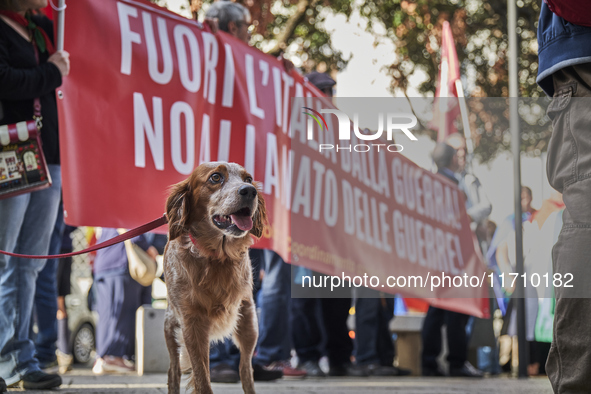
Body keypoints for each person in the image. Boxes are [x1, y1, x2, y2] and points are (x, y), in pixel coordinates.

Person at [204, 1, 302, 382]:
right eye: (243, 26)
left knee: (250, 270)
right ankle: (220, 356)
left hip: (252, 180)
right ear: (228, 25)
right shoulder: (207, 51)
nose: (249, 34)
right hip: (217, 185)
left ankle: (245, 354)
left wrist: (283, 79)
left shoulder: (250, 66)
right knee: (215, 264)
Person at [0, 0, 69, 389]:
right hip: (10, 153)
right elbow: (6, 80)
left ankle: (19, 359)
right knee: (6, 257)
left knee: (29, 264)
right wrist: (51, 72)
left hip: (48, 157)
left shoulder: (42, 24)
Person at [420, 143, 484, 378]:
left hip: (435, 254)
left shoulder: (428, 181)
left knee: (436, 309)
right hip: (453, 254)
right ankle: (456, 362)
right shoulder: (452, 185)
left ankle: (429, 362)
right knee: (457, 309)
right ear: (451, 160)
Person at [91, 228, 157, 374]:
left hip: (105, 262)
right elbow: (129, 226)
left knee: (108, 313)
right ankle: (113, 357)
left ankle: (104, 357)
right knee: (122, 312)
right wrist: (147, 247)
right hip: (120, 260)